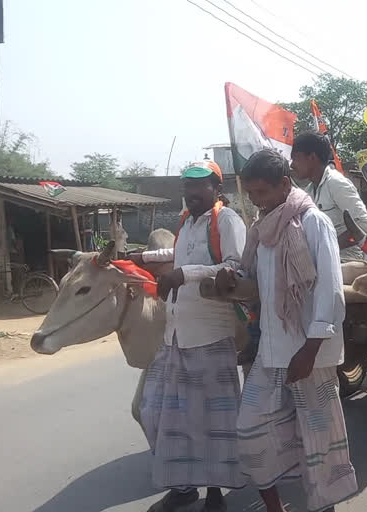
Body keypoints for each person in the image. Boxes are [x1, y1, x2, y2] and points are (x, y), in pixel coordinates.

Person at [220, 149, 357, 512]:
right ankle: (274, 506)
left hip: (309, 354)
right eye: (250, 195)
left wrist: (310, 350)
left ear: (284, 184)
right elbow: (255, 280)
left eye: (262, 193)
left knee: (318, 441)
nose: (256, 201)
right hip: (273, 350)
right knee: (250, 430)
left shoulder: (313, 222)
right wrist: (233, 275)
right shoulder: (262, 228)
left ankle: (324, 507)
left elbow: (329, 289)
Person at [131, 161, 247, 512]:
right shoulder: (186, 221)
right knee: (154, 411)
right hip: (176, 336)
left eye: (199, 186)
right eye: (187, 186)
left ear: (216, 188)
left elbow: (236, 266)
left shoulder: (226, 220)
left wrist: (186, 274)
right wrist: (140, 257)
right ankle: (183, 487)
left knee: (213, 421)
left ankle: (215, 492)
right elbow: (177, 255)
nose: (191, 192)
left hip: (211, 335)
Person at [290, 131, 367, 262]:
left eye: (295, 158)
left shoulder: (336, 183)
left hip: (345, 261)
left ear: (312, 158)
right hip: (320, 261)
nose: (292, 165)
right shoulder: (308, 191)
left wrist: (330, 245)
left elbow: (365, 225)